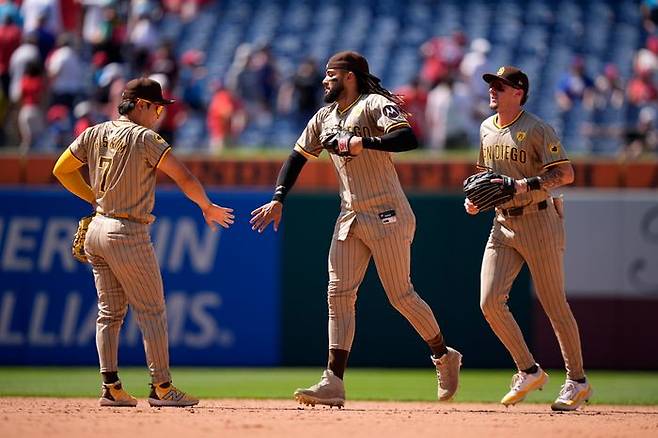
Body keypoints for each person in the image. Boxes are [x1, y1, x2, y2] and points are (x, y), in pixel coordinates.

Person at [250, 51, 462, 408]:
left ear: (349, 76)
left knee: (400, 296)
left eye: (331, 74)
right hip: (350, 215)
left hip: (387, 211)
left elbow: (408, 138)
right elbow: (297, 156)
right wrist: (278, 198)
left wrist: (363, 141)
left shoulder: (374, 104)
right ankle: (333, 381)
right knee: (338, 293)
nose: (324, 81)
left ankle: (443, 355)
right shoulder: (324, 116)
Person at [52, 77, 234, 407]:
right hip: (127, 231)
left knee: (109, 314)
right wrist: (206, 206)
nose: (160, 113)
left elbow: (62, 169)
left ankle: (111, 386)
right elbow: (183, 176)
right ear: (140, 105)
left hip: (98, 227)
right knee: (151, 311)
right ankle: (162, 388)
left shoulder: (95, 131)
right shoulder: (145, 138)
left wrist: (94, 199)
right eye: (157, 107)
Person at [464, 66, 592, 411]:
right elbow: (485, 176)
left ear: (518, 92)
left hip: (539, 221)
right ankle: (529, 370)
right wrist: (476, 199)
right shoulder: (486, 128)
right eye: (491, 85)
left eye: (500, 86)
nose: (493, 90)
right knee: (489, 302)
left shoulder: (536, 128)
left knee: (554, 305)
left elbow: (565, 173)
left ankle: (577, 380)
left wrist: (526, 185)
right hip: (502, 224)